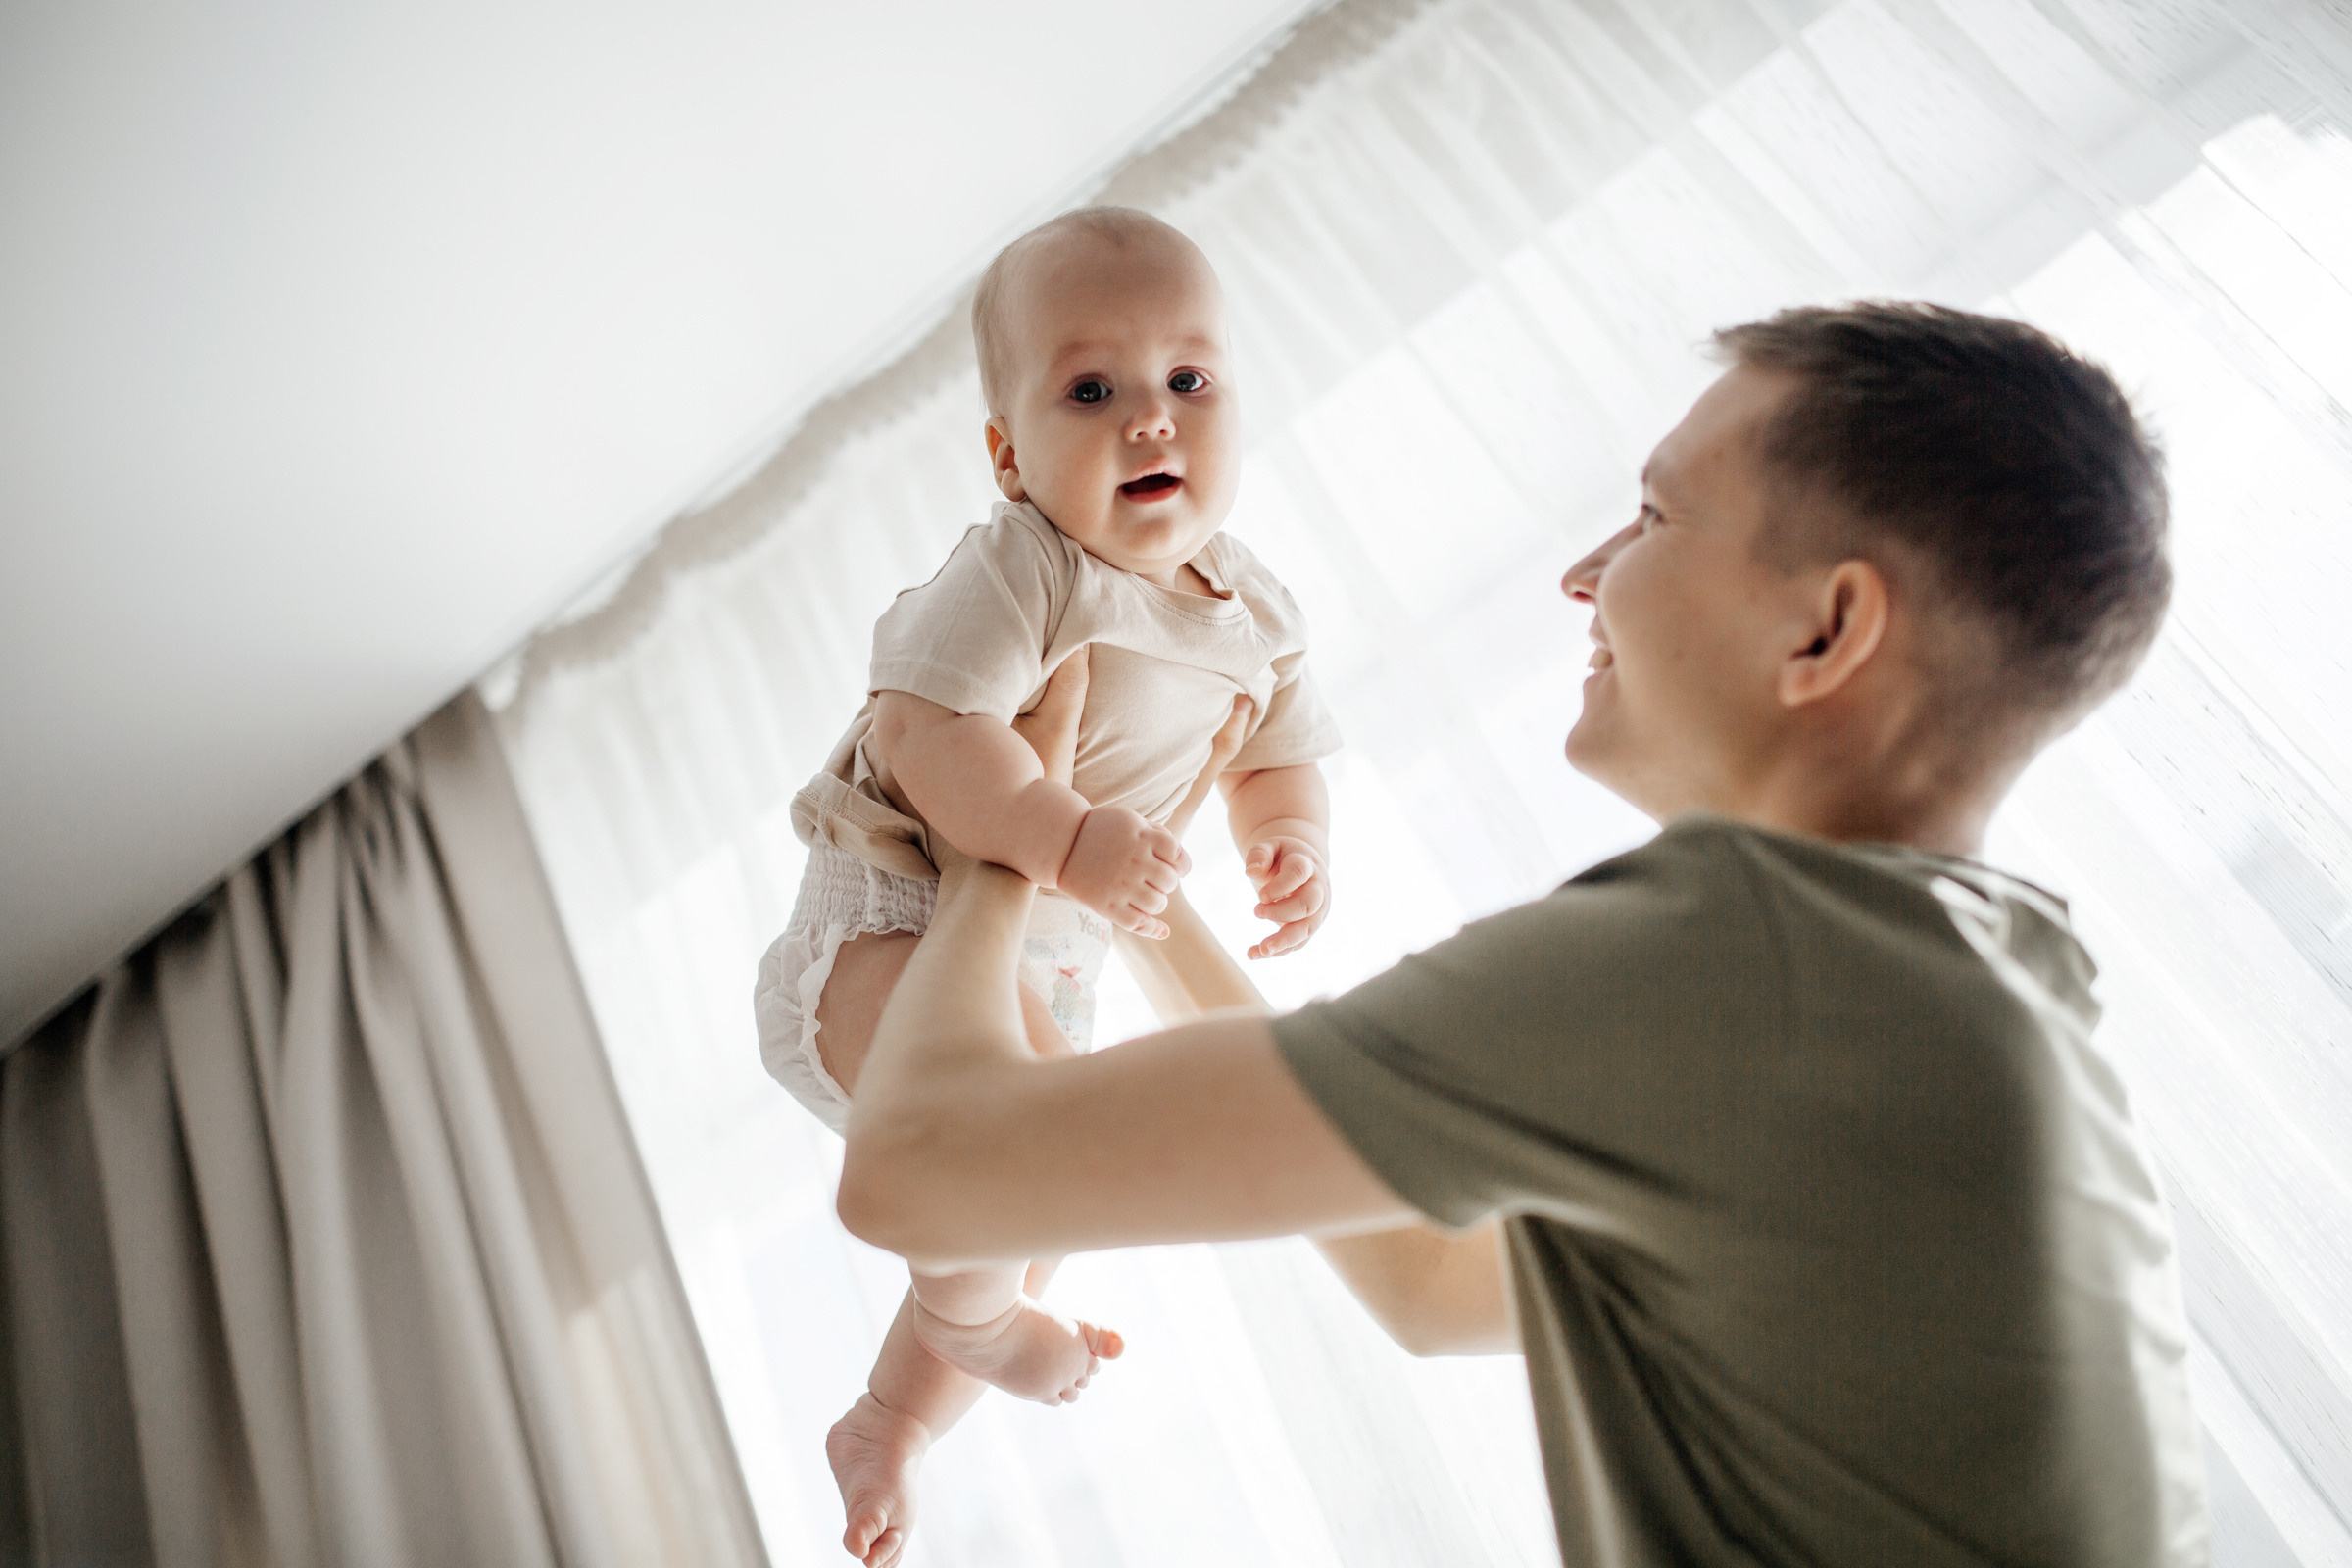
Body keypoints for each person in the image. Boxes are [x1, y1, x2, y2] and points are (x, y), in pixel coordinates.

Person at [837, 303, 2212, 1565]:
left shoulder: (1745, 960)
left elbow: (914, 1176)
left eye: (1654, 517)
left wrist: (1004, 845)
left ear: (1830, 627)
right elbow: (1427, 1281)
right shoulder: (1973, 993)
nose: (1581, 574)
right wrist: (1122, 871)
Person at [752, 206, 1341, 1566]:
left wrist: (1291, 839)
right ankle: (970, 1324)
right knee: (993, 1170)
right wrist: (1065, 838)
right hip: (890, 920)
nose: (1152, 420)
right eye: (1095, 389)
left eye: (1188, 382)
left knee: (1051, 1186)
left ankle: (891, 1421)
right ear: (1010, 454)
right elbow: (928, 730)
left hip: (1052, 955)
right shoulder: (1026, 566)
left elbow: (1283, 749)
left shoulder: (1260, 612)